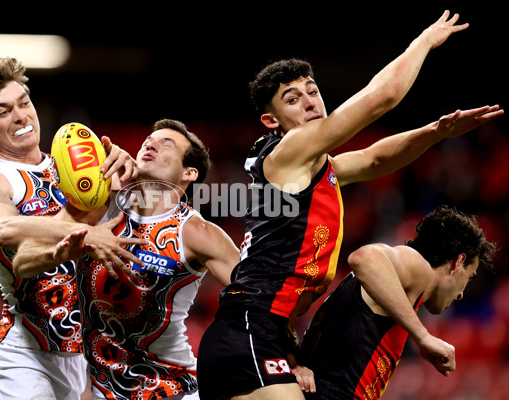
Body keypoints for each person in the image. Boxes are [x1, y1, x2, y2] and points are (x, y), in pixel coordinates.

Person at [196, 10, 504, 400]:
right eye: (292, 99)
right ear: (270, 121)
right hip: (248, 329)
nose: (309, 102)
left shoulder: (314, 169)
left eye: (312, 91)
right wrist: (423, 42)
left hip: (268, 335)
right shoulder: (288, 152)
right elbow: (383, 97)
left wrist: (435, 131)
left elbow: (376, 159)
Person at [0, 56, 146, 400]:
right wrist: (80, 226)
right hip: (22, 358)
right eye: (3, 111)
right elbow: (6, 229)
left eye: (24, 103)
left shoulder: (78, 169)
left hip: (85, 355)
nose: (21, 115)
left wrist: (129, 177)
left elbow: (142, 222)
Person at [12, 118, 241, 400]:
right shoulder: (99, 206)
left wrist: (290, 359)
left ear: (189, 173)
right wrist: (60, 253)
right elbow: (21, 262)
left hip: (173, 389)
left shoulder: (197, 233)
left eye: (165, 143)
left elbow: (258, 296)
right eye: (149, 140)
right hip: (104, 393)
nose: (151, 144)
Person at [300, 205, 497, 399]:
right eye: (469, 278)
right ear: (458, 262)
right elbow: (362, 258)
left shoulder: (398, 289)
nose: (461, 294)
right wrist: (423, 336)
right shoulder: (418, 266)